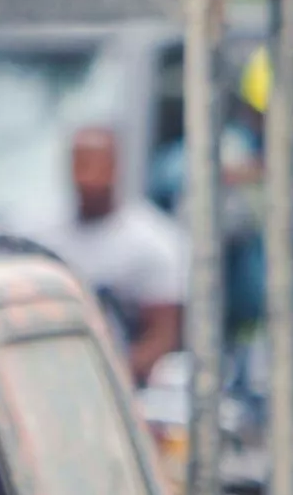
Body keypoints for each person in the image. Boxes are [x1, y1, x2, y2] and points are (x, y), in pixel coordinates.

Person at [35, 126, 187, 383]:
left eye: (96, 166)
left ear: (115, 168)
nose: (86, 177)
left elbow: (163, 336)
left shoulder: (154, 244)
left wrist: (105, 378)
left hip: (125, 385)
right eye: (80, 165)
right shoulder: (40, 235)